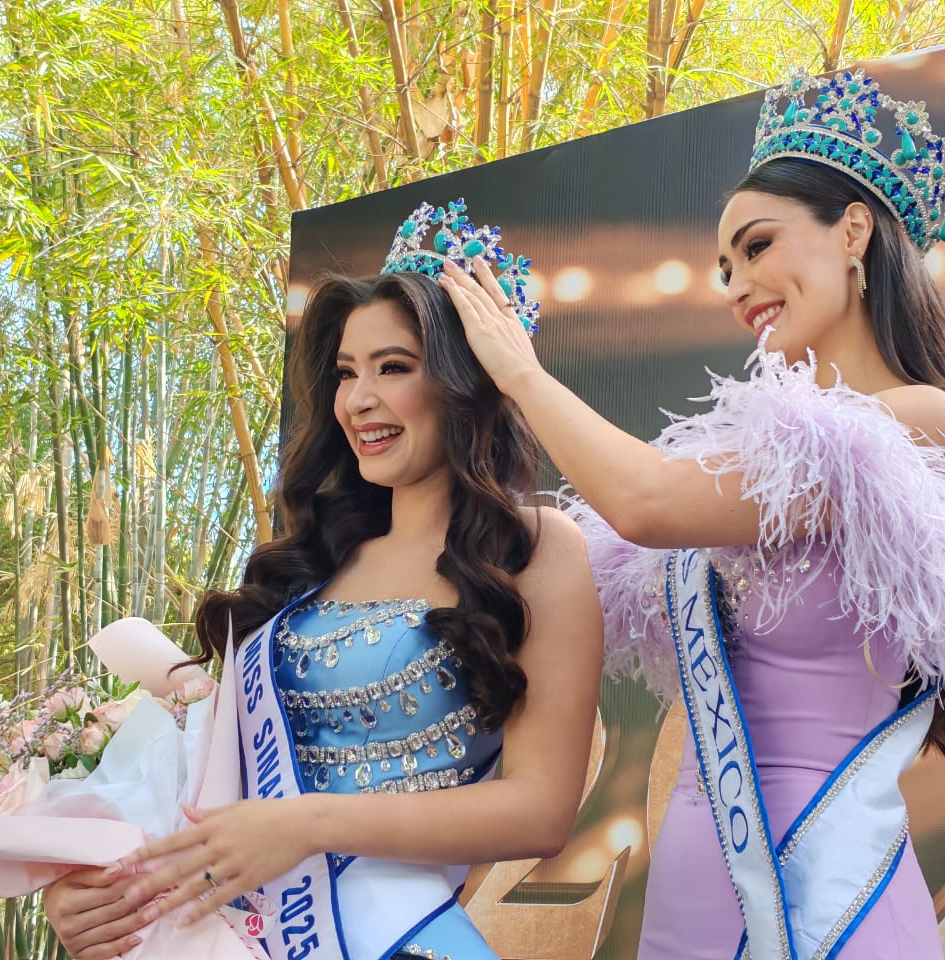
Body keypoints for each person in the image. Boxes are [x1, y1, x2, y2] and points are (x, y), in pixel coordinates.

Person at [436, 69, 945, 959]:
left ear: (853, 230)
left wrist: (520, 372)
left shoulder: (921, 422)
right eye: (725, 266)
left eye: (756, 246)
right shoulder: (749, 458)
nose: (737, 283)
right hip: (694, 881)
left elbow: (645, 502)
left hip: (830, 883)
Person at [40, 201, 602, 960]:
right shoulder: (312, 560)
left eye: (393, 368)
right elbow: (205, 776)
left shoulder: (533, 550)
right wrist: (91, 890)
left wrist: (308, 825)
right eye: (346, 373)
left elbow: (541, 811)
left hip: (399, 936)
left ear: (466, 380)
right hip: (244, 935)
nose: (357, 400)